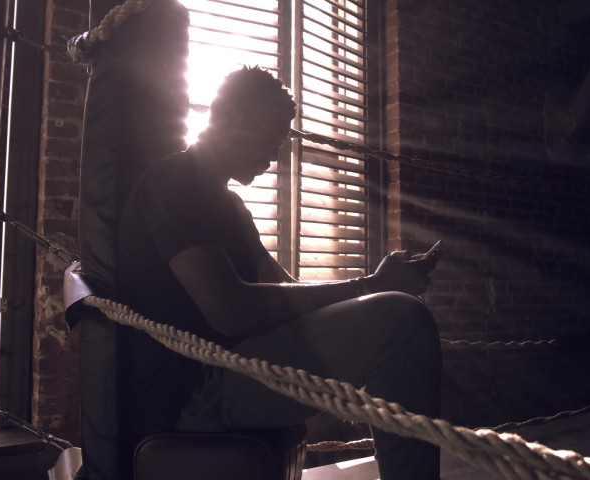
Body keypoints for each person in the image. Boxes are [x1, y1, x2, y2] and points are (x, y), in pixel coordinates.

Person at [116, 66, 442, 479]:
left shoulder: (228, 204)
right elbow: (230, 311)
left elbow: (287, 290)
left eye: (280, 139)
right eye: (268, 133)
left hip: (227, 368)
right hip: (191, 389)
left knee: (393, 314)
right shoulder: (174, 181)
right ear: (228, 113)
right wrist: (373, 287)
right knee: (401, 321)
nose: (274, 153)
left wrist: (376, 286)